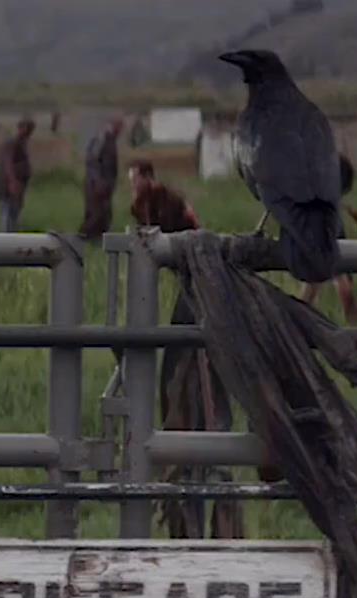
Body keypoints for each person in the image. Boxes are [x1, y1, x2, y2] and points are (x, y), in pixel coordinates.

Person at [127, 160, 238, 539]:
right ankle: (217, 533)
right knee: (215, 439)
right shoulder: (213, 280)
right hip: (215, 356)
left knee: (195, 442)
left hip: (195, 387)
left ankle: (193, 535)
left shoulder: (193, 296)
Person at [300, 153, 357, 325]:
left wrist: (350, 210)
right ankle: (302, 330)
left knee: (345, 291)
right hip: (319, 239)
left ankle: (356, 335)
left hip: (334, 238)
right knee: (311, 291)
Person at [78, 116, 124, 240]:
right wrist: (98, 181)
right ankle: (82, 239)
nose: (120, 131)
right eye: (119, 127)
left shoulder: (111, 140)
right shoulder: (101, 139)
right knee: (95, 215)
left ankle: (100, 239)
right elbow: (92, 162)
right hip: (96, 185)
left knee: (105, 215)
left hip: (105, 185)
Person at [0, 117, 36, 232]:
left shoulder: (22, 143)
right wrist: (12, 182)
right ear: (20, 128)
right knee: (7, 215)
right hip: (9, 186)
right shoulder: (11, 143)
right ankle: (5, 242)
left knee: (15, 214)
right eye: (27, 129)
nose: (29, 132)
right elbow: (7, 163)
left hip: (18, 186)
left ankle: (14, 239)